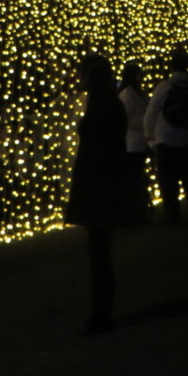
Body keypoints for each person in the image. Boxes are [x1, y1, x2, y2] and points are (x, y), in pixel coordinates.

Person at [65, 53, 131, 335]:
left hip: (99, 189)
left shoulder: (103, 105)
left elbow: (98, 146)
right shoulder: (108, 102)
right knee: (100, 254)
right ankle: (101, 313)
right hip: (104, 186)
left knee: (100, 255)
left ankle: (102, 315)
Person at [145, 47, 188, 223]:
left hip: (165, 138)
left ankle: (172, 214)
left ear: (171, 67)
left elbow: (151, 111)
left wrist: (150, 136)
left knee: (168, 180)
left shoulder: (164, 86)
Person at [118, 60, 152, 219]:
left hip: (140, 141)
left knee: (138, 175)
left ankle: (140, 207)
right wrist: (144, 122)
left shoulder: (136, 92)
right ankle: (137, 209)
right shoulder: (127, 94)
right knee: (135, 177)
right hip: (132, 142)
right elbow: (126, 119)